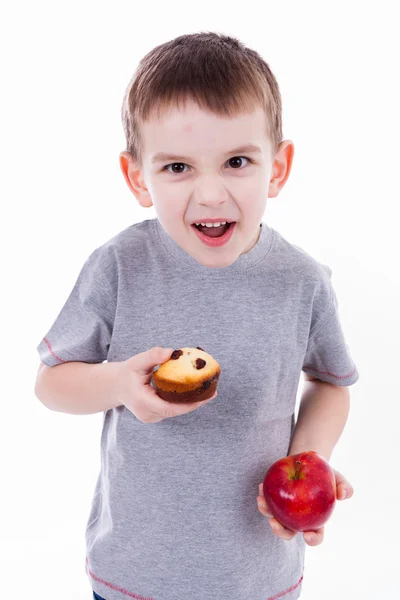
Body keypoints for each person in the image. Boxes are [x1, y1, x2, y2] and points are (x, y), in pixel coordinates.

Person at [34, 31, 359, 600]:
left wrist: (309, 458)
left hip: (258, 579)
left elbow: (332, 384)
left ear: (278, 168)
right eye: (178, 167)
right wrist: (117, 384)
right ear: (138, 177)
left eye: (236, 161)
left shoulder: (301, 281)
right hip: (132, 577)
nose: (210, 194)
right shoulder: (120, 266)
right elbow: (51, 386)